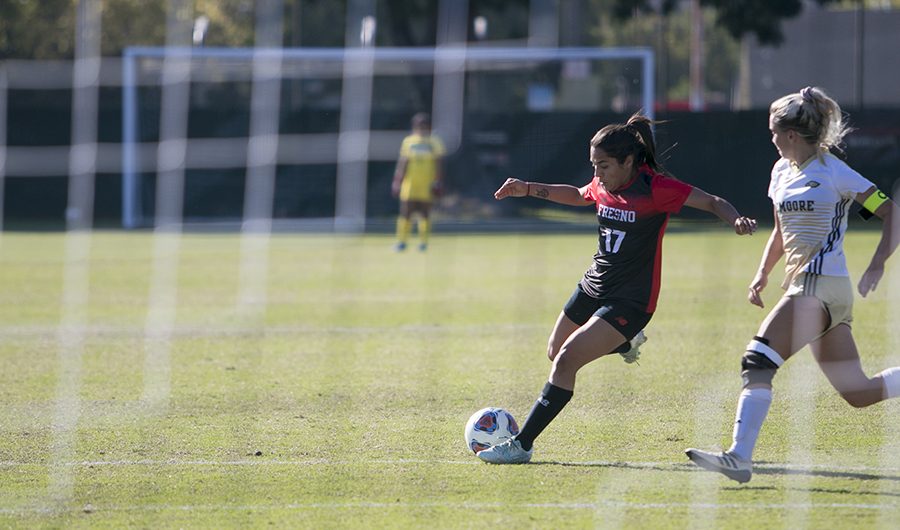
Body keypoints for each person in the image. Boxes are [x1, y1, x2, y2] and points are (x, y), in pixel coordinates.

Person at [477, 113, 758, 464]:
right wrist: (529, 188)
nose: (597, 174)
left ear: (628, 161)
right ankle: (625, 342)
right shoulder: (604, 184)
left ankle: (522, 444)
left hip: (632, 300)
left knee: (566, 361)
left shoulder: (656, 189)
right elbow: (581, 195)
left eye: (604, 166)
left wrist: (736, 219)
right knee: (555, 352)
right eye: (594, 165)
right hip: (593, 284)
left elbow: (712, 201)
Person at [686, 86, 900, 483]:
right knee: (858, 393)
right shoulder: (781, 171)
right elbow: (782, 233)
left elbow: (892, 212)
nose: (770, 139)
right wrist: (763, 272)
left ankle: (738, 457)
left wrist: (877, 265)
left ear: (791, 135)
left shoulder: (834, 171)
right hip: (810, 290)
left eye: (773, 132)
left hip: (821, 286)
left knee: (757, 361)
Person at [392, 112, 445, 252]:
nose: (421, 128)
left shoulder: (434, 142)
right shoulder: (409, 141)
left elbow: (438, 163)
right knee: (406, 213)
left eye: (424, 126)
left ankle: (423, 243)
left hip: (427, 183)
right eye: (418, 126)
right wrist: (397, 181)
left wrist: (438, 181)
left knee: (425, 213)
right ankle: (401, 241)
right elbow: (403, 162)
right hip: (410, 183)